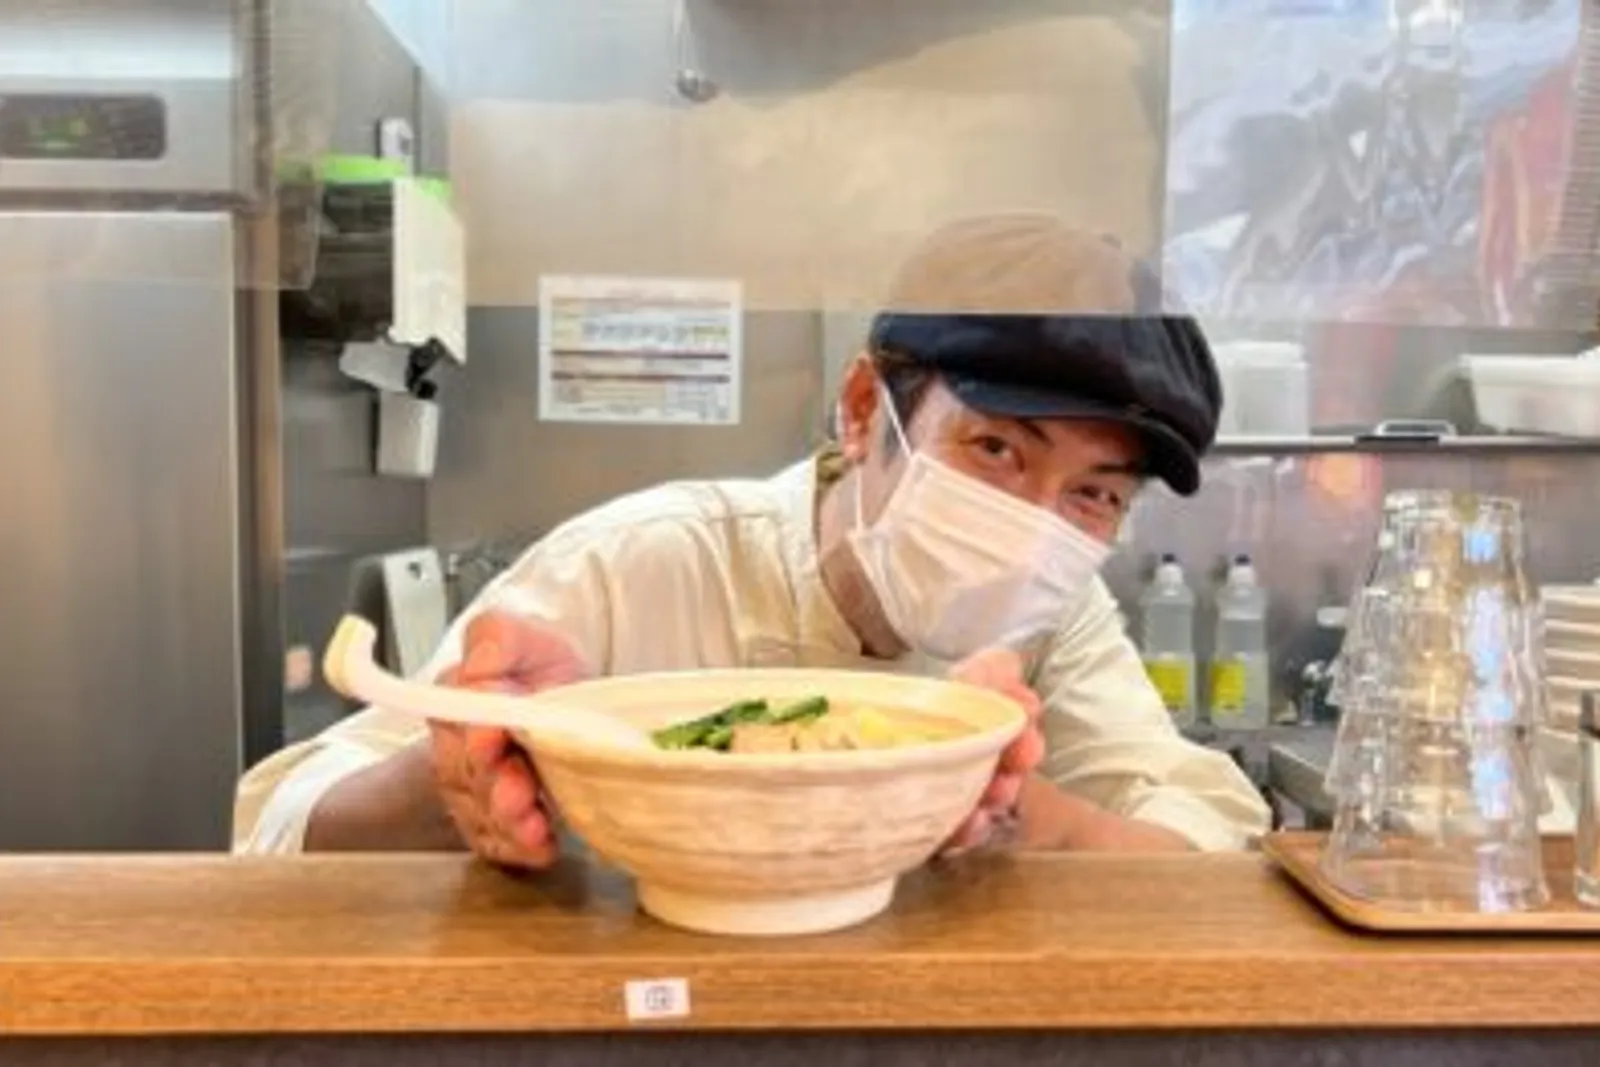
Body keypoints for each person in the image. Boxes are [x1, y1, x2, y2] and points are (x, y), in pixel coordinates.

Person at [234, 214, 1271, 864]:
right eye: (996, 448)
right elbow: (276, 830)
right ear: (864, 408)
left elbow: (1212, 840)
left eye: (1093, 494)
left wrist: (1013, 814)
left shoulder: (1061, 613)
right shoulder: (644, 560)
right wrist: (457, 772)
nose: (1032, 529)